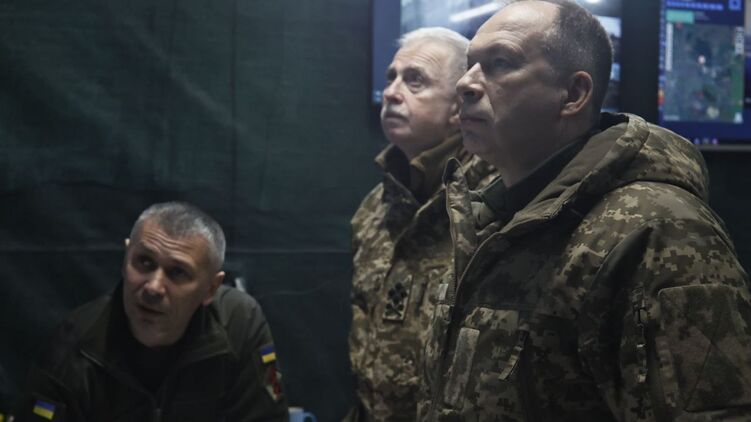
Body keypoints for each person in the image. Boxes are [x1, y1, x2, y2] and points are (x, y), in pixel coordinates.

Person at [418, 1, 751, 420]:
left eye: (500, 63)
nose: (465, 84)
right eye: (470, 64)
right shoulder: (490, 218)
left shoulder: (660, 230)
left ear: (573, 94)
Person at [17, 202, 288, 421]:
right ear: (126, 258)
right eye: (144, 262)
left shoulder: (240, 324)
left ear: (210, 289)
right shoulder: (74, 349)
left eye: (177, 272)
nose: (154, 287)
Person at [346, 28, 496, 421]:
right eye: (391, 78)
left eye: (415, 80)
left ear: (459, 106)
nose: (391, 93)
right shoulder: (374, 209)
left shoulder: (497, 205)